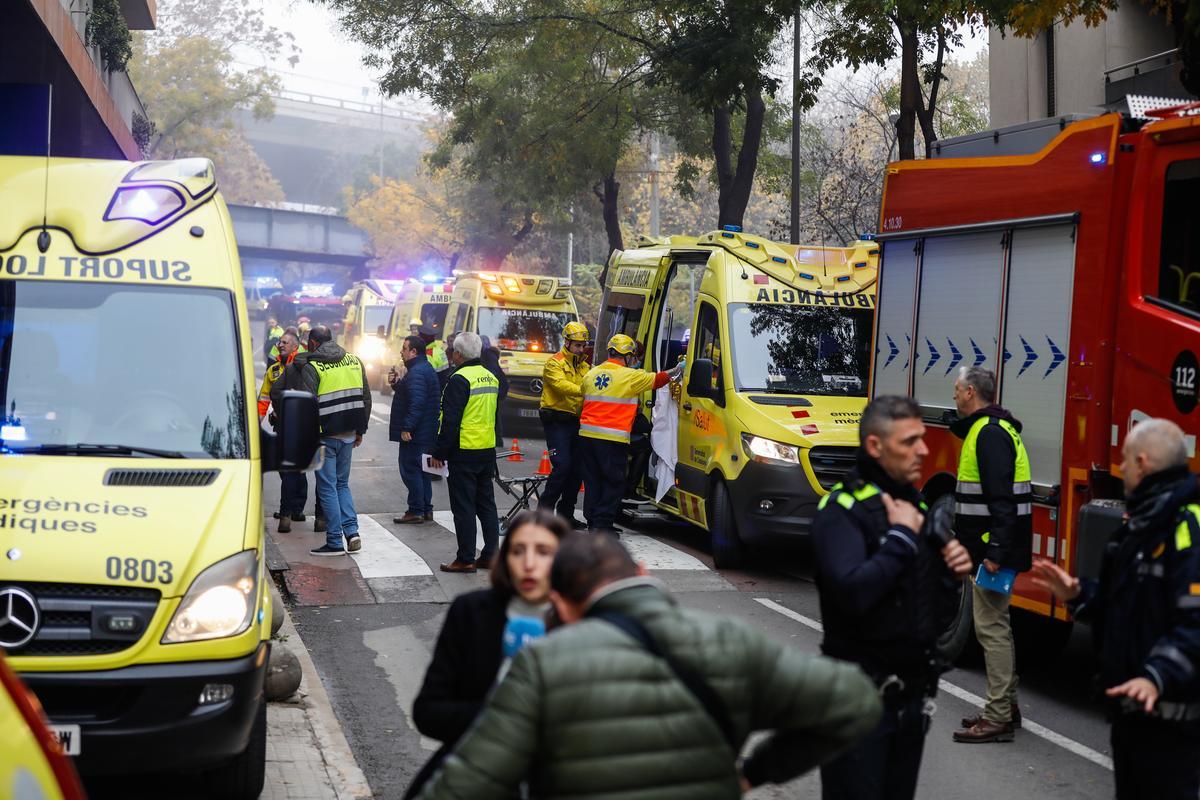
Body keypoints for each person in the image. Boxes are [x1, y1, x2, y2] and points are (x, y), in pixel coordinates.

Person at [415, 533, 883, 800]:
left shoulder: (544, 664)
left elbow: (462, 788)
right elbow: (856, 701)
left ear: (561, 604)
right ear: (642, 574)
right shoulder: (729, 642)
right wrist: (755, 772)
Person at [811, 395, 973, 800]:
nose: (923, 449)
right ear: (875, 447)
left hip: (910, 704)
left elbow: (926, 614)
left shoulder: (914, 505)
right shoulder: (841, 508)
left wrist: (951, 578)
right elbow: (853, 593)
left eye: (922, 438)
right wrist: (901, 538)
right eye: (909, 442)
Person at [1033, 419, 1200, 800]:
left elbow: (1195, 624)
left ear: (1142, 463)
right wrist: (1079, 595)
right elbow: (1123, 607)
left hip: (1171, 732)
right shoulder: (1140, 527)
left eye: (1124, 459)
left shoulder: (1187, 528)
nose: (1119, 468)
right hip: (1132, 723)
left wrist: (1156, 675)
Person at [405, 510, 571, 799]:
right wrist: (502, 719)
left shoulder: (579, 623)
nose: (529, 564)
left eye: (543, 552)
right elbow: (429, 711)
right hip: (473, 774)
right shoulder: (471, 612)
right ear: (505, 559)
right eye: (518, 551)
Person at [950, 366, 1033, 743]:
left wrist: (995, 550)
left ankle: (997, 716)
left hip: (991, 549)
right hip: (990, 545)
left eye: (956, 390)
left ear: (970, 392)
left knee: (991, 629)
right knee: (999, 625)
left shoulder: (990, 434)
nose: (953, 396)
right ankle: (1007, 707)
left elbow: (1002, 502)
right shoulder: (990, 429)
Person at [273, 324, 371, 556]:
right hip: (348, 434)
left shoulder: (313, 366)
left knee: (327, 488)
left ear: (313, 343)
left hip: (323, 437)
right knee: (342, 485)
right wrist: (360, 431)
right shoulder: (354, 361)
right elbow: (365, 398)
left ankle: (335, 541)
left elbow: (307, 406)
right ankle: (352, 532)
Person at [577, 334, 682, 533]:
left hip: (587, 437)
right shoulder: (630, 376)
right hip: (612, 439)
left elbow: (583, 397)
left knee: (593, 481)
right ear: (627, 355)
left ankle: (592, 521)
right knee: (613, 482)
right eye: (632, 356)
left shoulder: (591, 374)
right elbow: (658, 380)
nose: (634, 360)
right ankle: (603, 525)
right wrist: (678, 369)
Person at [431, 332, 500, 573]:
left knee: (463, 508)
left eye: (453, 351)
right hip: (485, 450)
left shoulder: (458, 379)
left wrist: (439, 451)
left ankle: (466, 558)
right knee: (487, 506)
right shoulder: (490, 377)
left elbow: (450, 420)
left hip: (464, 451)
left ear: (458, 354)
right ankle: (491, 555)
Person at [537, 320, 590, 528]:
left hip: (577, 421)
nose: (581, 349)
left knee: (577, 470)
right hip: (557, 421)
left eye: (583, 345)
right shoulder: (554, 363)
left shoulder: (586, 366)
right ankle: (543, 514)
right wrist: (585, 391)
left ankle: (566, 514)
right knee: (562, 467)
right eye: (577, 344)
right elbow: (560, 386)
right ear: (566, 342)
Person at [258, 328, 308, 533]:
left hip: (301, 424)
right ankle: (292, 507)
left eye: (285, 342)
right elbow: (263, 399)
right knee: (285, 467)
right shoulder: (274, 370)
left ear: (295, 346)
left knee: (296, 468)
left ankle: (294, 509)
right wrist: (255, 423)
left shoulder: (304, 366)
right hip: (281, 424)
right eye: (280, 342)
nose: (280, 345)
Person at [390, 335, 439, 524]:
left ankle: (415, 510)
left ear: (414, 352)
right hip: (426, 431)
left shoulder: (417, 372)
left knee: (411, 470)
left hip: (417, 434)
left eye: (404, 348)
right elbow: (413, 394)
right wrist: (397, 384)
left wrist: (407, 427)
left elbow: (417, 403)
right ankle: (426, 509)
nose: (401, 352)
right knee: (423, 471)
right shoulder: (422, 369)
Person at [479, 335, 509, 447]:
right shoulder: (489, 354)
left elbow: (492, 372)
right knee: (494, 414)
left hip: (494, 390)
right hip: (496, 389)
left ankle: (497, 440)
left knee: (494, 415)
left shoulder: (488, 354)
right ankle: (497, 439)